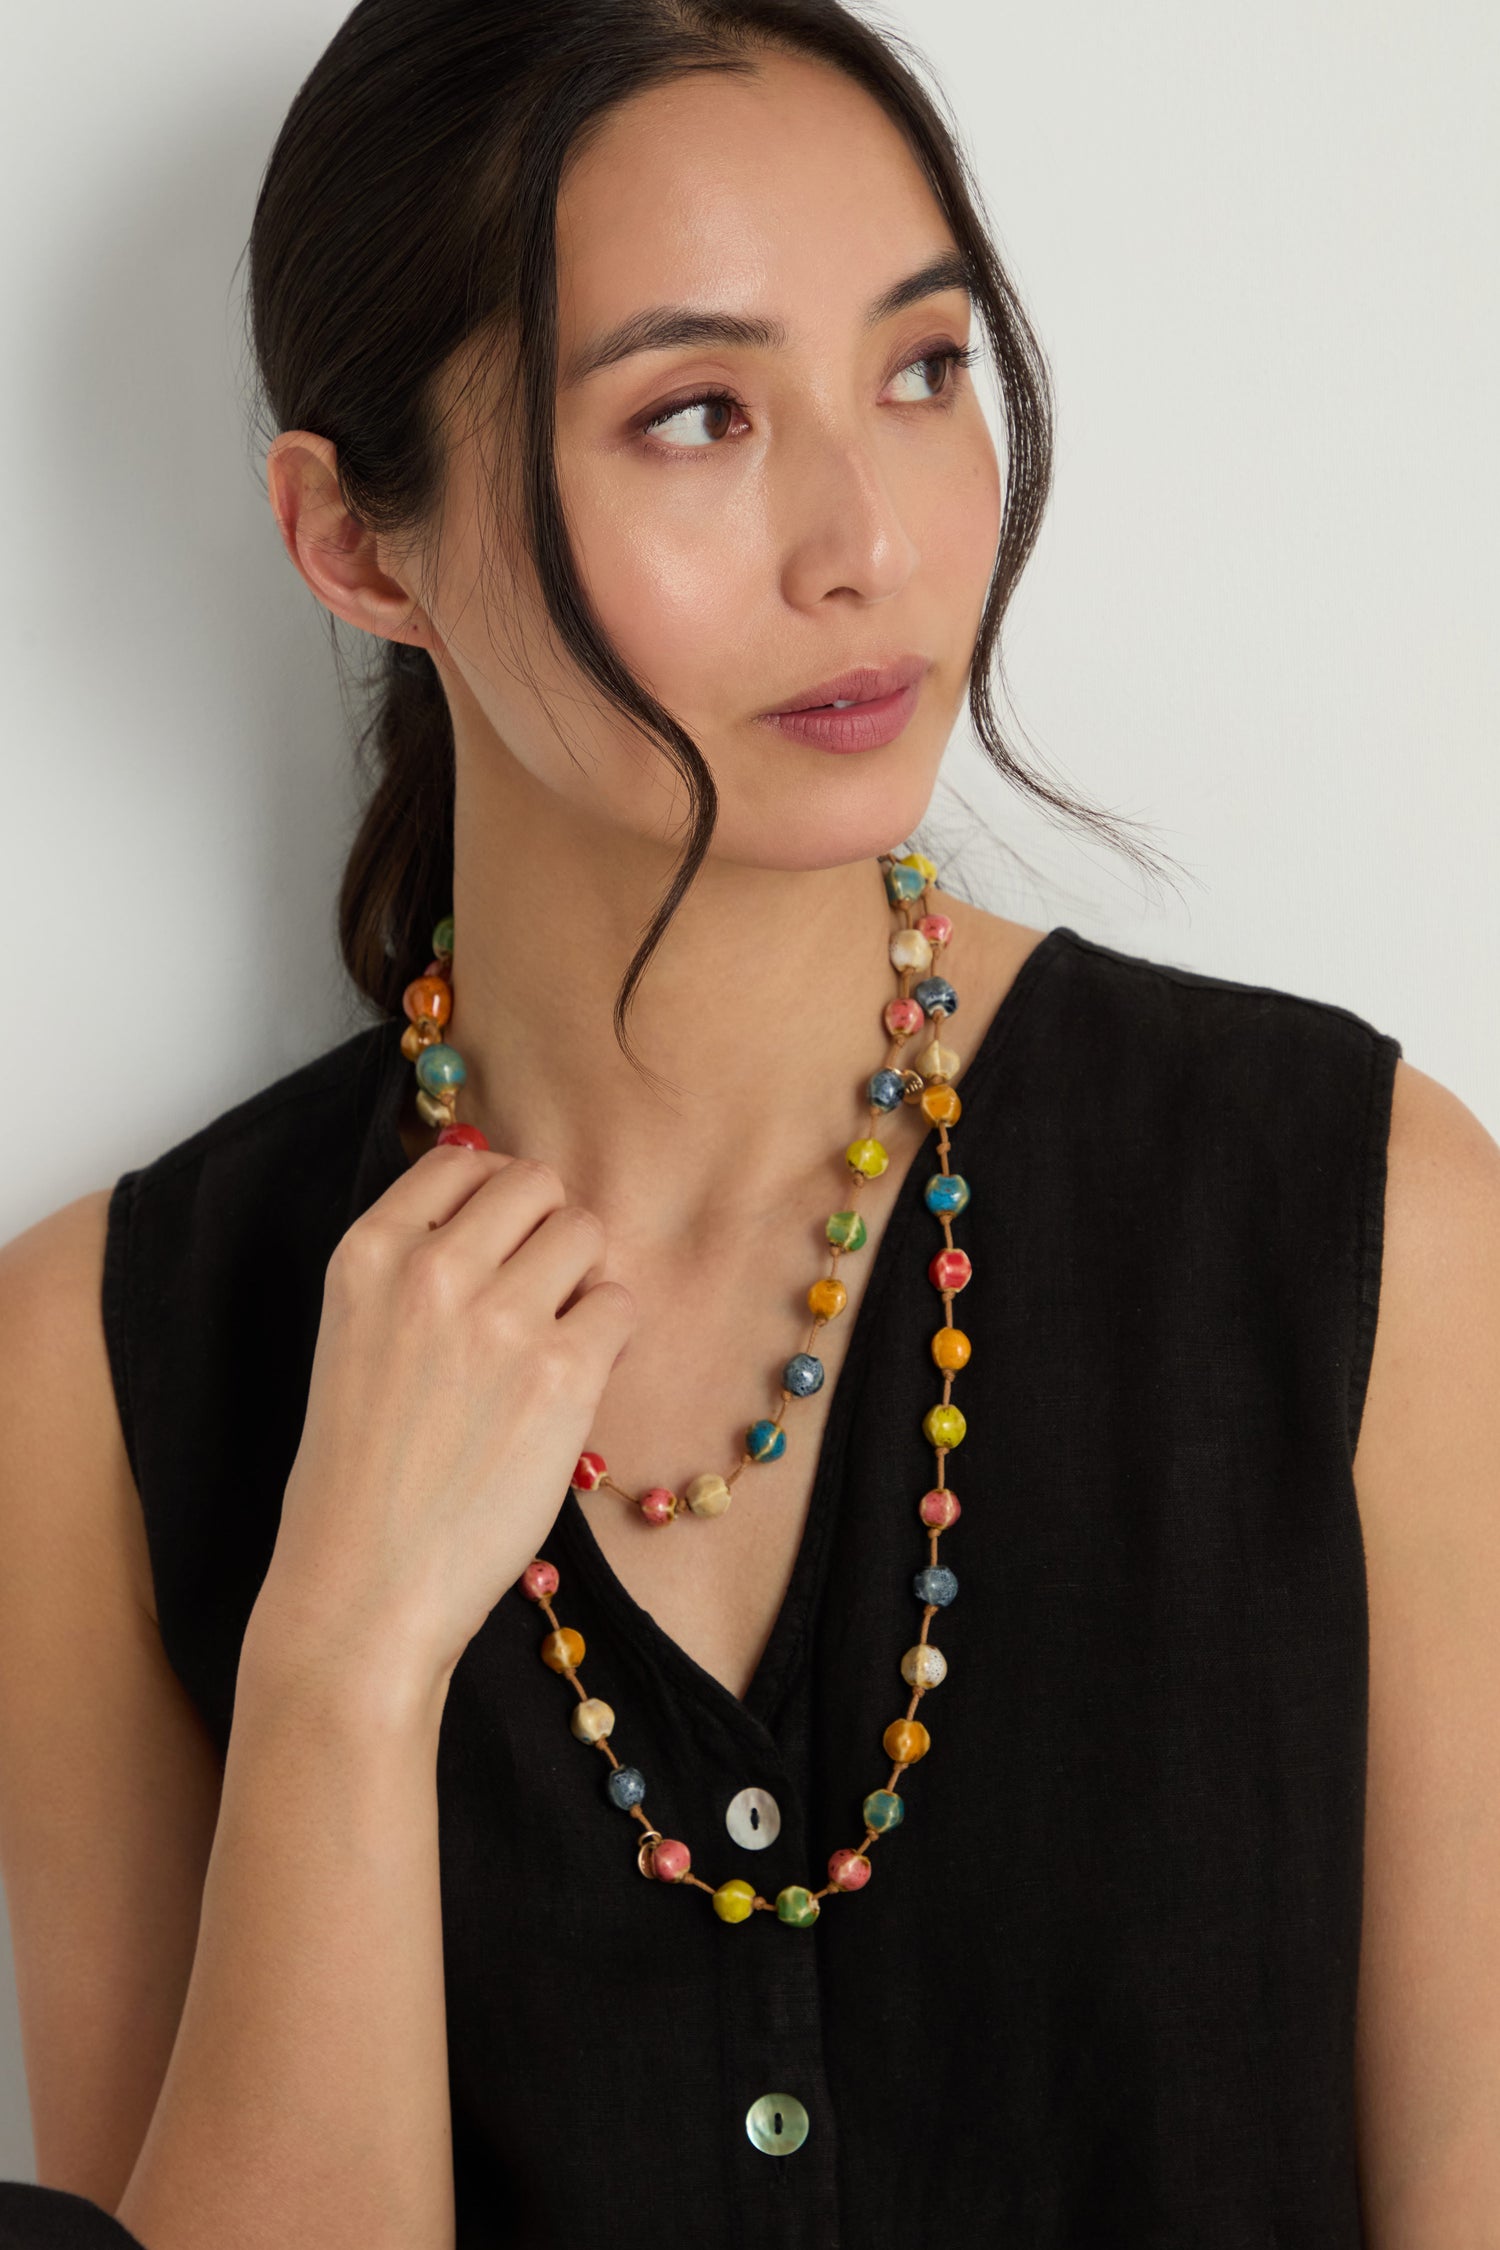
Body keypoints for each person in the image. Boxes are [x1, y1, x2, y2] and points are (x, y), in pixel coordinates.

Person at [1, 2, 1497, 2245]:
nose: (870, 538)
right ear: (356, 541)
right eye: (695, 415)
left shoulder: (1357, 1220)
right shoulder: (96, 1371)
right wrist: (339, 1668)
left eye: (920, 370)